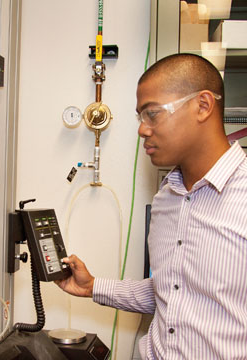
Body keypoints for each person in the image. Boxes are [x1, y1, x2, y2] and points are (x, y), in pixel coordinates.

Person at [56, 53, 247, 359]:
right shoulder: (165, 199)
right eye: (140, 117)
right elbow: (169, 291)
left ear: (203, 106)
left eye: (152, 114)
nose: (142, 129)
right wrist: (93, 286)